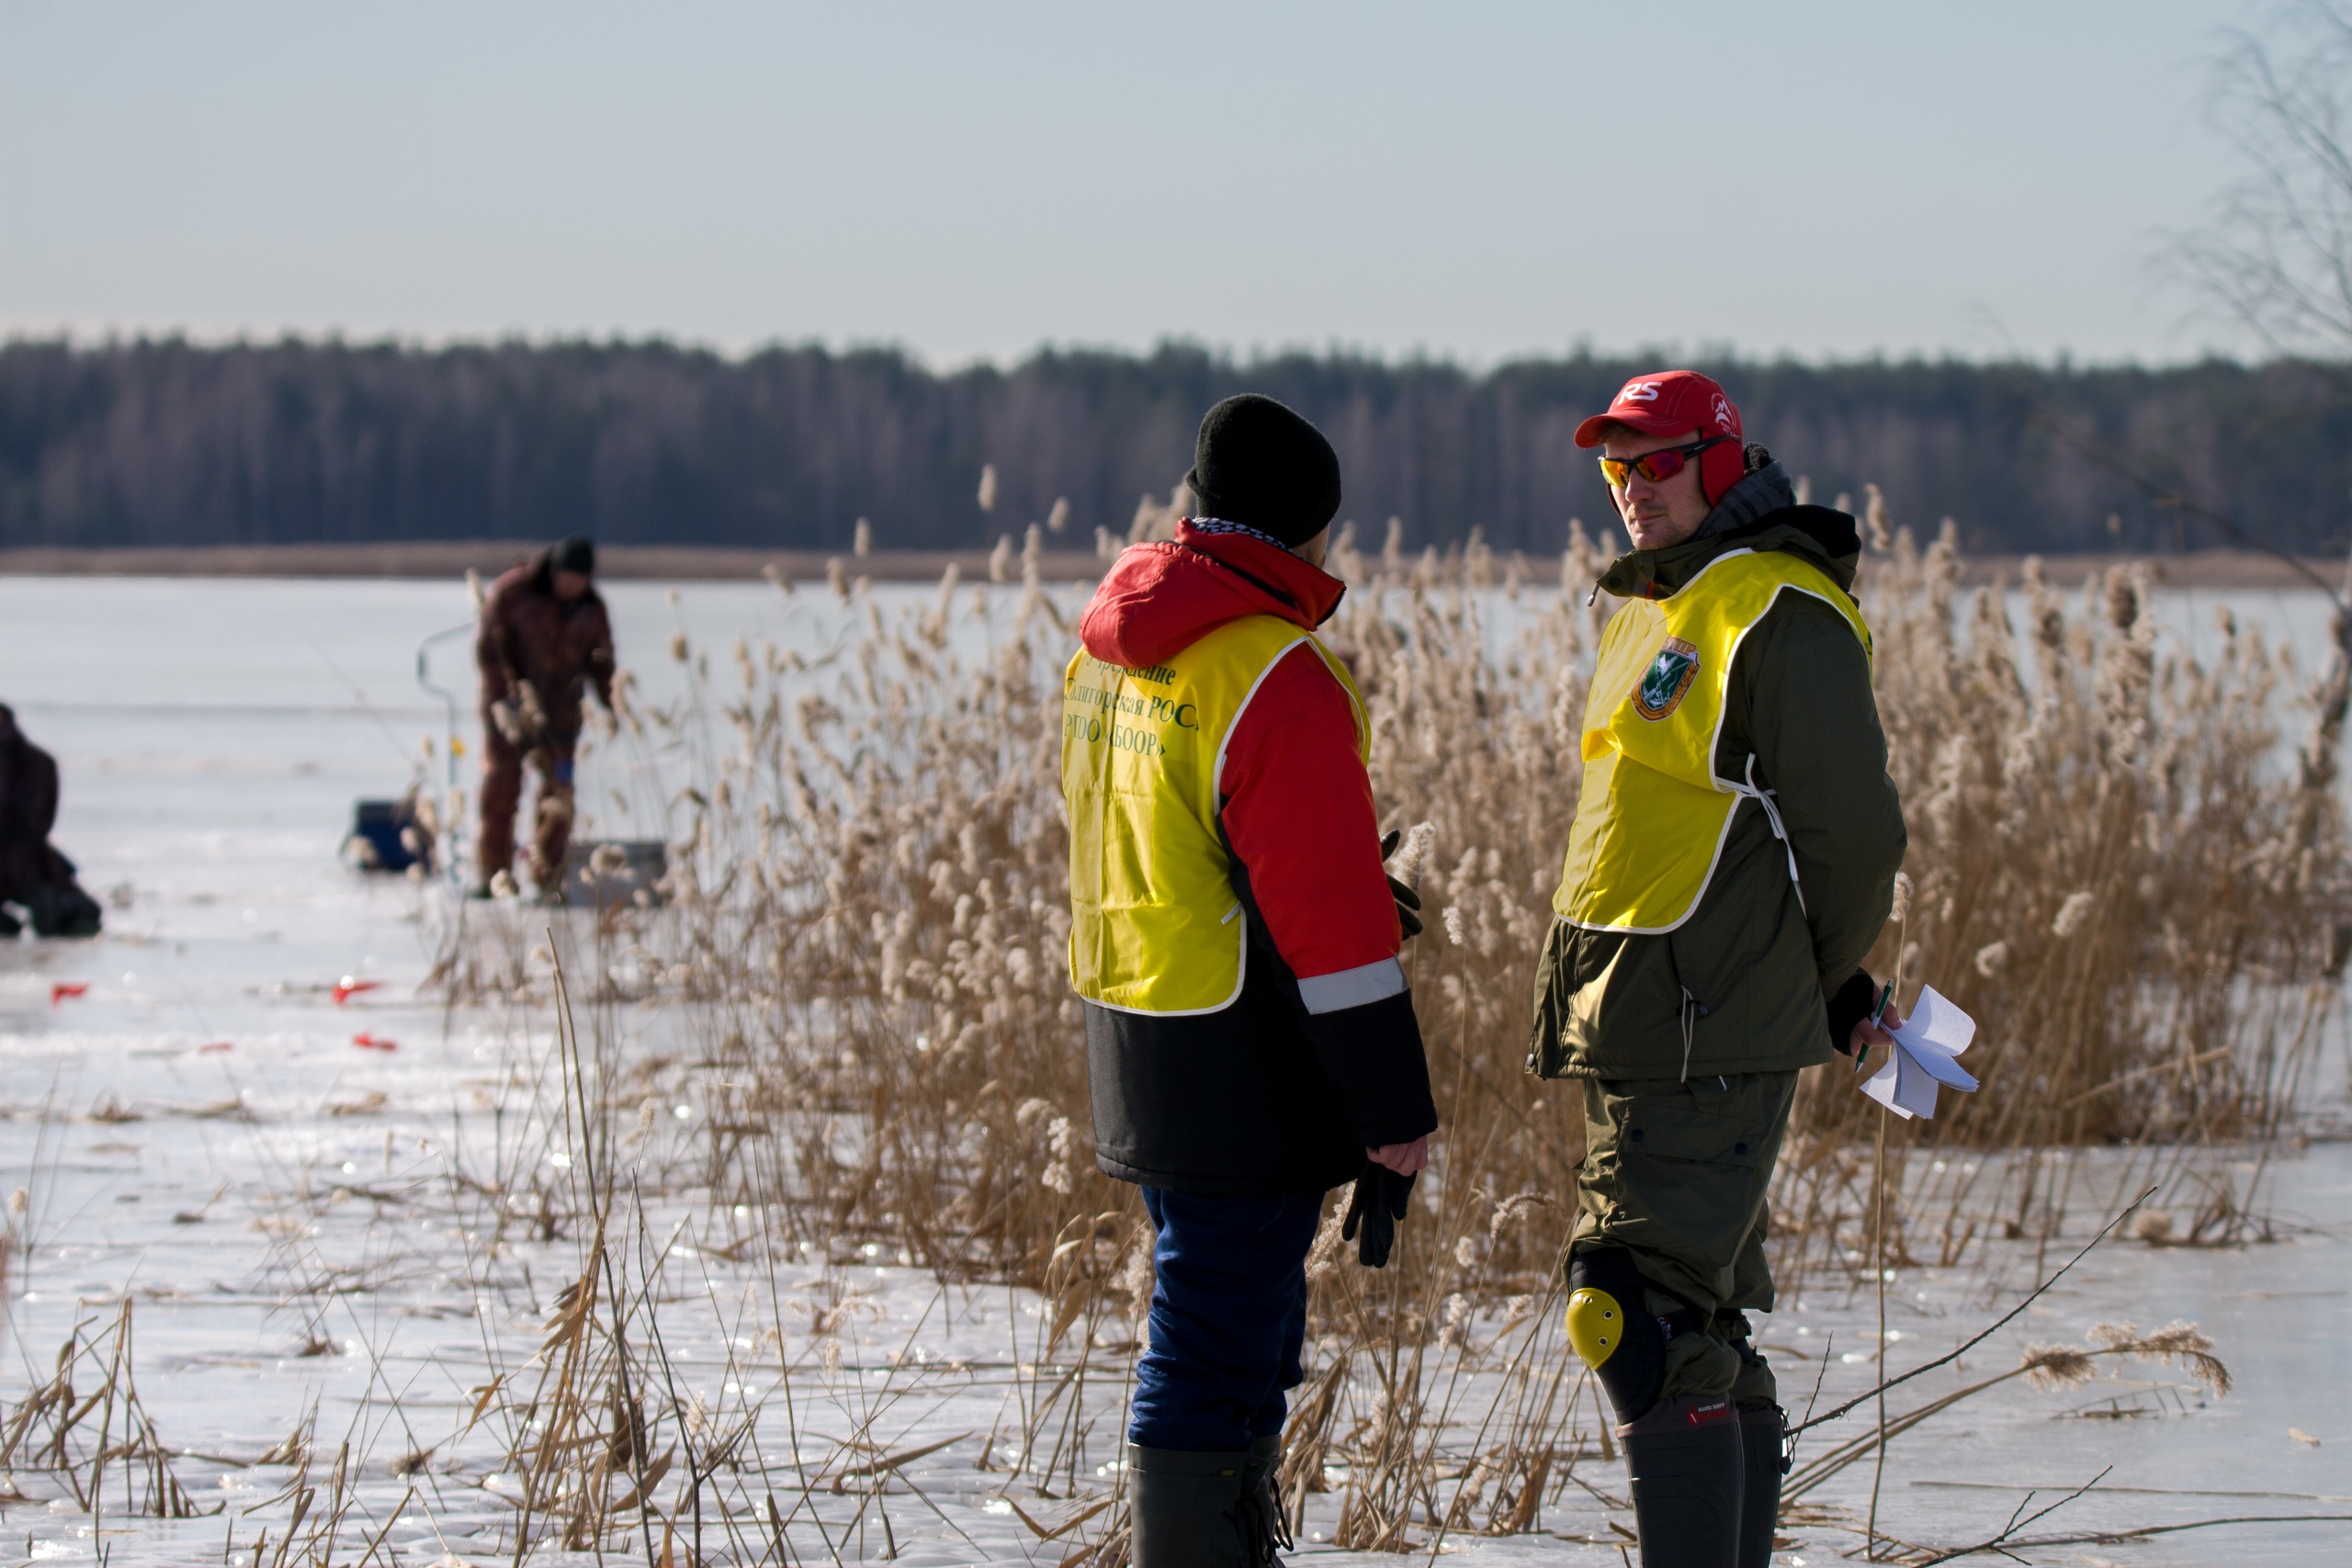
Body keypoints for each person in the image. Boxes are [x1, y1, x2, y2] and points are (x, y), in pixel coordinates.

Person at [1529, 371, 1908, 1566]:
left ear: (1724, 461)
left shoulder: (1780, 610)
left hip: (1705, 1022)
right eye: (1615, 468)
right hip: (1638, 1024)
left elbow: (1852, 833)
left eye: (1657, 462)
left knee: (1635, 1309)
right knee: (1700, 1324)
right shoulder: (1659, 603)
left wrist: (1827, 973)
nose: (1631, 490)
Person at [1062, 395, 1439, 1567]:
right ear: (1313, 533)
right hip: (1245, 1061)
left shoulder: (1108, 653)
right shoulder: (1277, 673)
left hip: (1140, 1034)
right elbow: (1332, 929)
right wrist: (1392, 1111)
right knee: (1213, 1347)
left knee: (1232, 1330)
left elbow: (1154, 838)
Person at [474, 536, 616, 898]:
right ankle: (493, 877)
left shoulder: (592, 609)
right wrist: (508, 697)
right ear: (552, 570)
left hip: (562, 718)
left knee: (558, 799)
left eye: (579, 580)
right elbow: (489, 649)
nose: (572, 586)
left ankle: (548, 879)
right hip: (508, 711)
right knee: (500, 792)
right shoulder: (514, 593)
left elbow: (602, 661)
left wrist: (611, 703)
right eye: (566, 577)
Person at [0, 705, 104, 938]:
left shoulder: (38, 762)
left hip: (28, 854)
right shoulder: (41, 760)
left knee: (66, 912)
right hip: (27, 854)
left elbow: (42, 816)